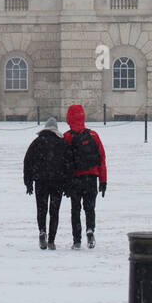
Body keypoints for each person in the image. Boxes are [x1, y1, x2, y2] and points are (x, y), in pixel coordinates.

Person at [62, 104, 107, 249]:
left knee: (75, 210)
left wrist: (64, 182)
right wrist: (103, 180)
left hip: (75, 178)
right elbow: (101, 158)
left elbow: (63, 161)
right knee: (90, 207)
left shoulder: (67, 137)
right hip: (91, 176)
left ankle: (76, 240)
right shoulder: (93, 135)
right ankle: (90, 229)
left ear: (69, 118)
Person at [23, 117, 70, 249]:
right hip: (57, 182)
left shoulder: (37, 142)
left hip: (40, 181)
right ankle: (51, 240)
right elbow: (68, 165)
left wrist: (28, 182)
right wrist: (67, 184)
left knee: (41, 209)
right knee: (54, 212)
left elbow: (27, 162)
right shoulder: (62, 143)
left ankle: (42, 231)